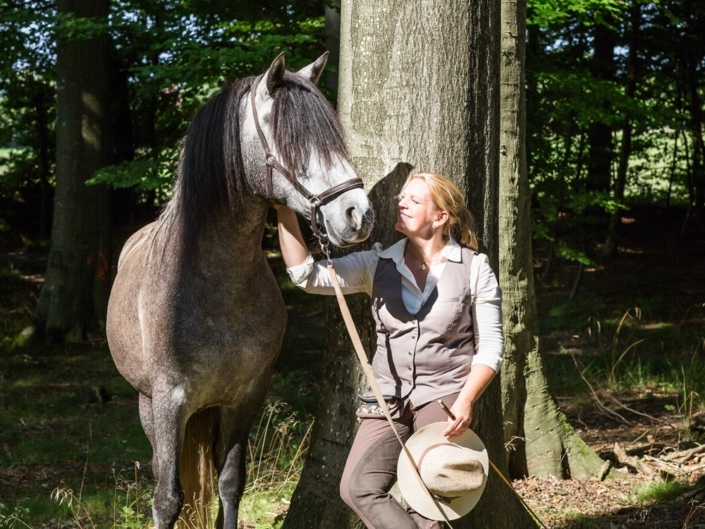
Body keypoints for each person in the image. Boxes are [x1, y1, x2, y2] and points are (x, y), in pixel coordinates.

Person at [275, 172, 503, 529]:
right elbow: (306, 276)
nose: (401, 203)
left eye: (413, 200)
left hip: (444, 397)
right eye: (402, 197)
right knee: (357, 487)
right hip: (386, 399)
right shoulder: (375, 263)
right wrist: (285, 212)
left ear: (440, 217)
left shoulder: (475, 269)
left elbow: (490, 348)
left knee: (433, 496)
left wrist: (466, 400)